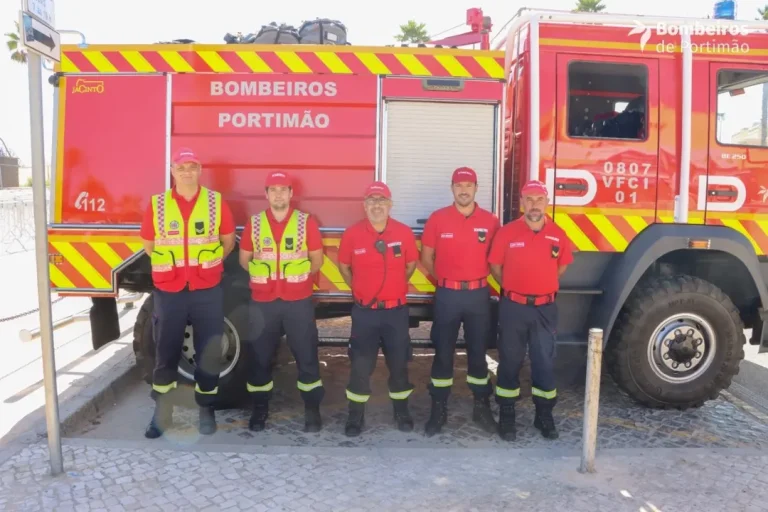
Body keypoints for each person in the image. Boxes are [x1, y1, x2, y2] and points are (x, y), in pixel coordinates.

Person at [140, 147, 236, 438]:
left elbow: (228, 241)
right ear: (172, 170)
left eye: (192, 167)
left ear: (199, 170)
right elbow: (149, 245)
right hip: (170, 291)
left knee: (208, 352)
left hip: (206, 289)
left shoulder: (215, 202)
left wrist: (205, 266)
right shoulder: (157, 204)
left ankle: (206, 409)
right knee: (165, 353)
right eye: (181, 167)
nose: (186, 172)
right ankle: (162, 413)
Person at [238, 171, 325, 432]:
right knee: (260, 360)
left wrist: (293, 280)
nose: (278, 194)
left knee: (307, 358)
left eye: (283, 189)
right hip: (264, 303)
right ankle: (260, 410)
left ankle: (312, 412)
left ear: (291, 194)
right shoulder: (254, 223)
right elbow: (245, 260)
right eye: (272, 189)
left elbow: (317, 260)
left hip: (297, 302)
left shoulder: (305, 222)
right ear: (266, 195)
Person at [487, 180, 573, 441]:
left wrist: (540, 288)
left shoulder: (558, 234)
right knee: (510, 362)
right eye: (529, 199)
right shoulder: (507, 232)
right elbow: (495, 267)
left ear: (546, 203)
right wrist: (515, 289)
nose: (534, 204)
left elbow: (561, 267)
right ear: (521, 202)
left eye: (539, 199)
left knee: (544, 363)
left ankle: (544, 415)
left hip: (545, 309)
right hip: (513, 308)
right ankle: (507, 414)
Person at [420, 167, 499, 436]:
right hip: (447, 296)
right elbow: (426, 257)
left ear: (476, 188)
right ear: (452, 189)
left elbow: (495, 258)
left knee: (479, 356)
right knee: (443, 354)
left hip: (478, 296)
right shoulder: (437, 219)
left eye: (468, 185)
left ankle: (482, 408)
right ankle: (438, 410)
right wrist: (446, 280)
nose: (463, 190)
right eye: (458, 185)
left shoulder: (490, 221)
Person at [337, 182, 419, 437]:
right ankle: (355, 415)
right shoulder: (352, 234)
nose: (376, 205)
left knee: (399, 365)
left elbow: (411, 264)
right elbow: (344, 267)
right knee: (361, 366)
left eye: (381, 200)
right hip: (365, 313)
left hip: (396, 313)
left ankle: (402, 411)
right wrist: (362, 291)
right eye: (371, 200)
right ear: (364, 205)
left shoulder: (403, 233)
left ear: (390, 205)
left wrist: (393, 290)